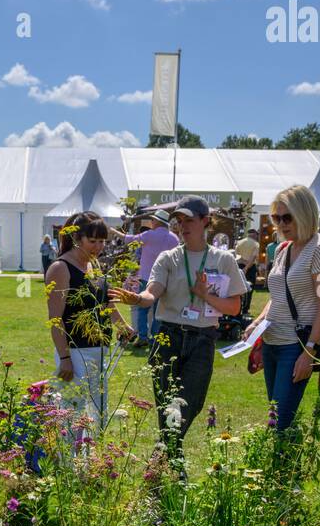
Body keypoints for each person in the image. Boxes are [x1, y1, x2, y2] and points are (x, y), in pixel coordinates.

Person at [110, 196, 246, 466]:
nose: (183, 226)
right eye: (179, 221)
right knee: (166, 406)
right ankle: (170, 465)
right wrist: (138, 299)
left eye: (189, 220)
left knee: (189, 403)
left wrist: (204, 295)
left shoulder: (223, 260)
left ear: (206, 221)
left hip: (202, 339)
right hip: (167, 336)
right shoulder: (169, 257)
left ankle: (162, 459)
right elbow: (153, 292)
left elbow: (234, 307)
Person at [243, 184, 320, 431]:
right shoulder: (284, 249)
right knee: (276, 413)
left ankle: (284, 466)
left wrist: (308, 352)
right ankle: (284, 463)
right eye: (277, 217)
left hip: (294, 346)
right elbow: (278, 295)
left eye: (287, 217)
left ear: (304, 214)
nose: (281, 224)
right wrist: (256, 323)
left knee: (280, 422)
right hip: (272, 343)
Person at [46, 210, 136, 438]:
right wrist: (65, 358)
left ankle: (90, 464)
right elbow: (55, 319)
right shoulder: (60, 269)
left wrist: (123, 327)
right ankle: (67, 464)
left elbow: (105, 304)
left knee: (98, 414)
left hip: (100, 351)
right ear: (77, 239)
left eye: (102, 241)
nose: (98, 247)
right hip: (76, 352)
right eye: (92, 241)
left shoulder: (93, 266)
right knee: (72, 413)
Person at [116, 208, 179, 347]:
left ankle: (143, 337)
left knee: (142, 308)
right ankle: (156, 338)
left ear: (156, 222)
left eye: (153, 220)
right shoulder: (175, 238)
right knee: (159, 310)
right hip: (165, 279)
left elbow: (130, 240)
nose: (151, 222)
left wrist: (114, 232)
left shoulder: (150, 235)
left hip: (146, 277)